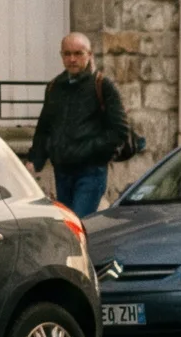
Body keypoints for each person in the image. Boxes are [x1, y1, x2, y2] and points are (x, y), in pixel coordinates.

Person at [27, 33, 134, 215]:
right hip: (62, 170)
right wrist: (34, 160)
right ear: (61, 56)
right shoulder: (55, 87)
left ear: (89, 54)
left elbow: (119, 130)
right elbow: (44, 127)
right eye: (67, 54)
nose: (72, 59)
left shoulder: (103, 85)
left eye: (78, 53)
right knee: (69, 224)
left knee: (80, 220)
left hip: (90, 171)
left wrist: (90, 150)